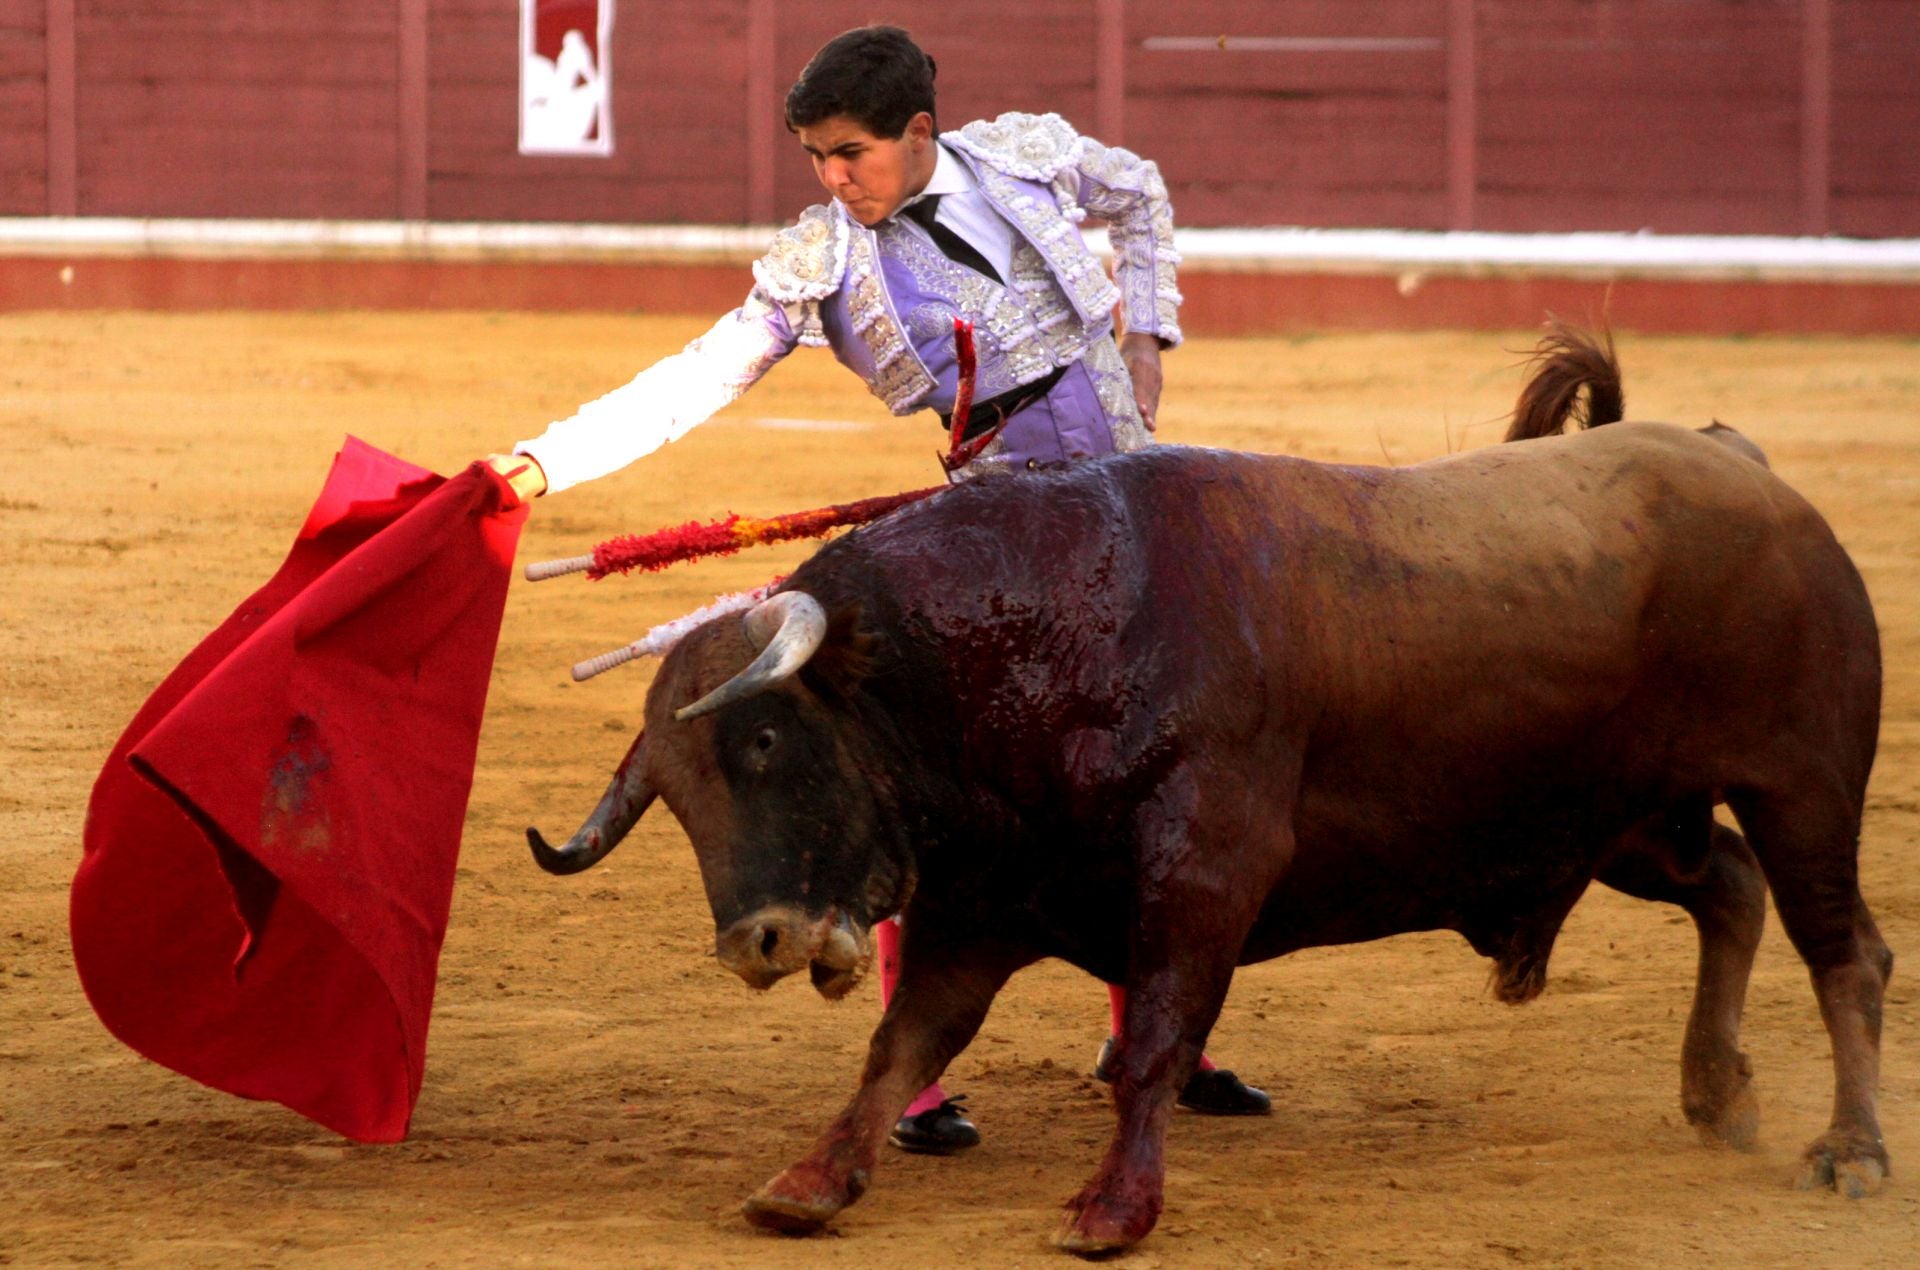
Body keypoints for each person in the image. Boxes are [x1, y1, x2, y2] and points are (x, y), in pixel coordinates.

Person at [486, 23, 1268, 1156]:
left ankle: (1159, 1040)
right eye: (813, 156)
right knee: (942, 784)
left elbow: (1140, 191)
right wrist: (545, 459)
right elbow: (699, 375)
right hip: (997, 551)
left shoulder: (1024, 159)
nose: (830, 179)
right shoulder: (825, 263)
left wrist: (1147, 333)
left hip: (1135, 511)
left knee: (1157, 772)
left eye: (848, 153)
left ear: (918, 132)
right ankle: (911, 1086)